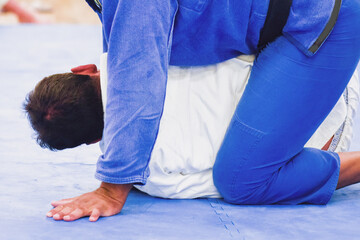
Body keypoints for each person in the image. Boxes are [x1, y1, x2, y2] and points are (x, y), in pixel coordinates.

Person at [28, 0, 360, 222]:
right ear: (84, 69)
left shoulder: (151, 171)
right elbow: (125, 64)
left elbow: (135, 77)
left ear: (93, 140)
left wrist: (113, 187)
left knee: (242, 181)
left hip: (319, 24)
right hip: (295, 47)